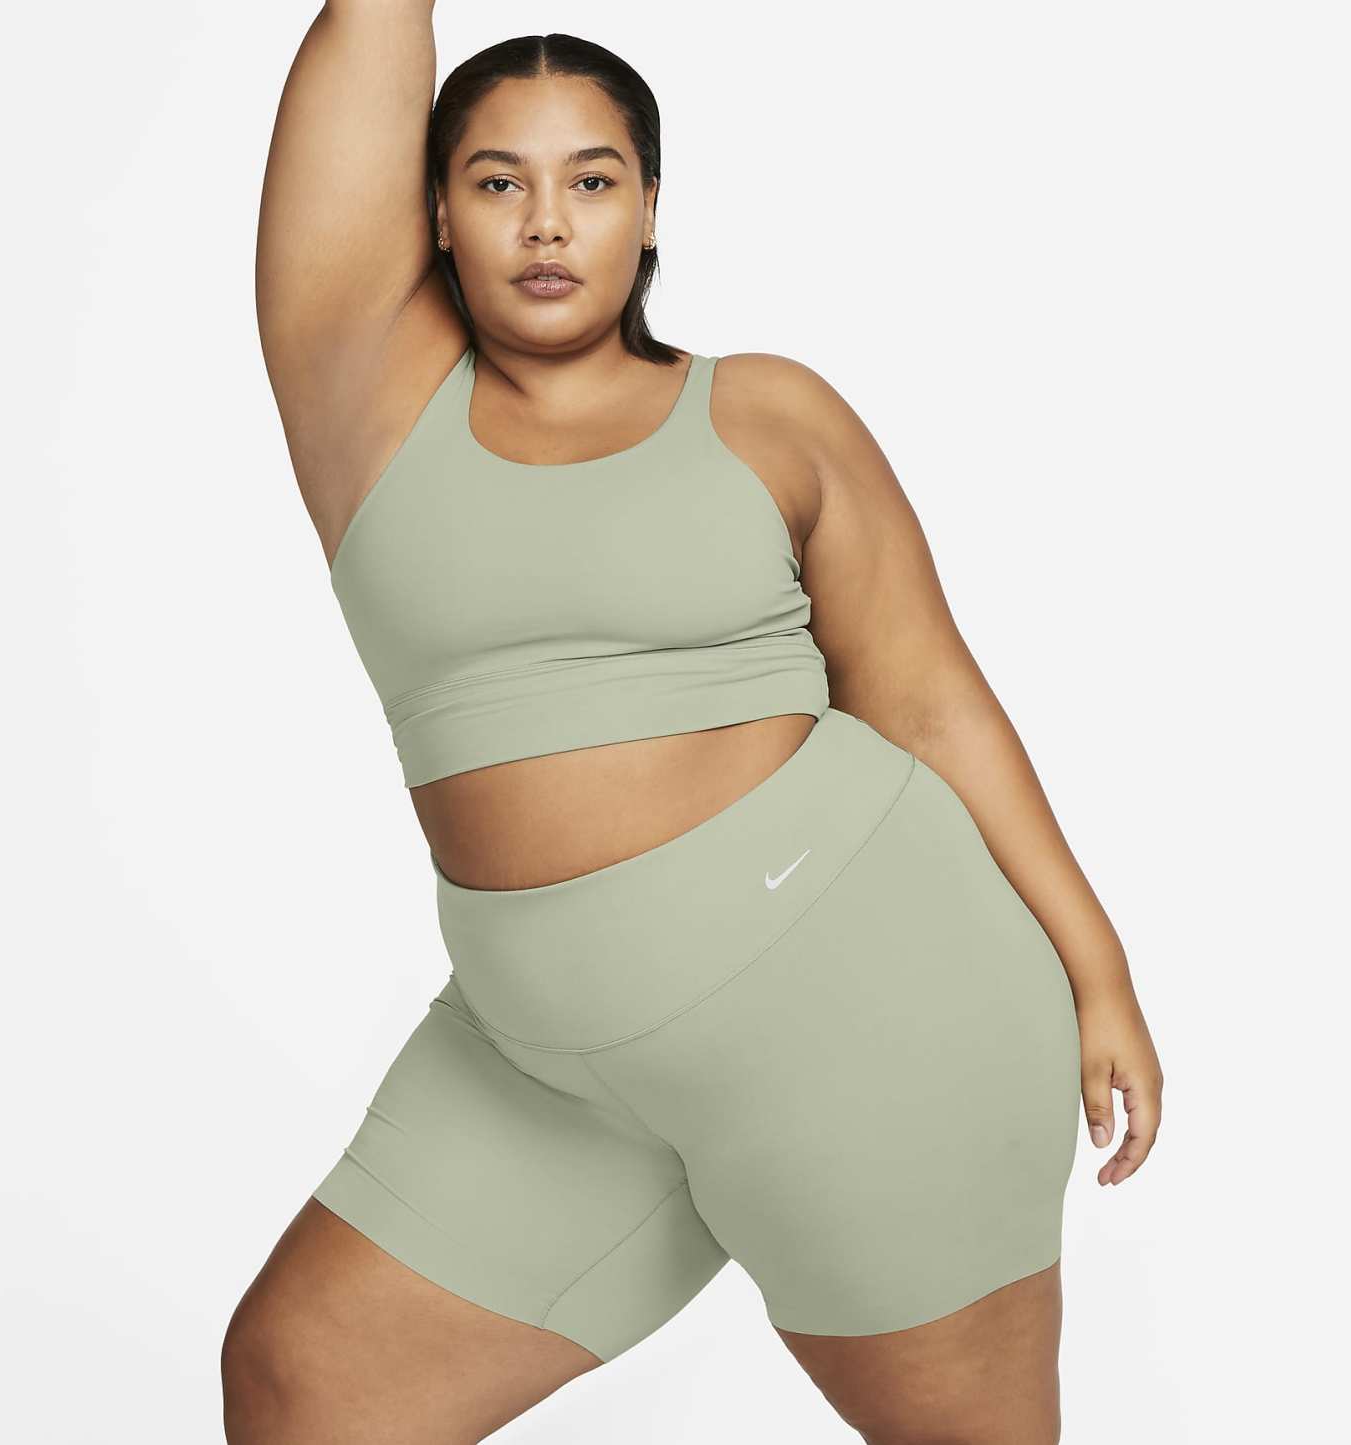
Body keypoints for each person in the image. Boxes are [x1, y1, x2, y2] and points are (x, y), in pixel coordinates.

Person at [227, 8, 1163, 1443]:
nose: (547, 221)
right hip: (539, 1060)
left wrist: (1099, 971)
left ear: (650, 207)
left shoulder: (767, 417)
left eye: (592, 180)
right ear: (433, 213)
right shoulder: (367, 399)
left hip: (873, 1010)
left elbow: (927, 700)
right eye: (498, 180)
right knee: (306, 1386)